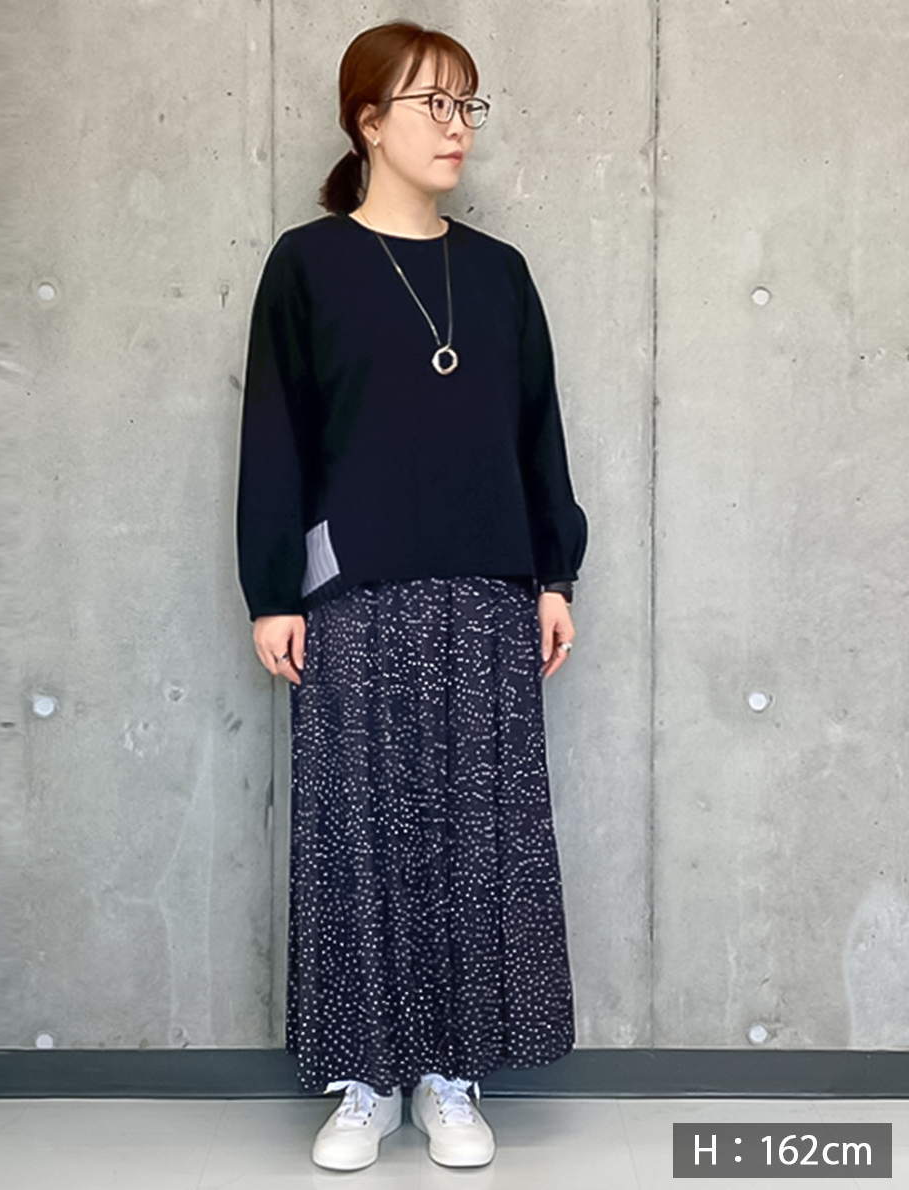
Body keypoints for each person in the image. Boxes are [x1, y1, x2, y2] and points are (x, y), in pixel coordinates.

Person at [235, 19, 588, 1173]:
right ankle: (365, 1078)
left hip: (486, 593)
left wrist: (553, 570)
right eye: (431, 103)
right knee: (357, 835)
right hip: (352, 595)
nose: (455, 126)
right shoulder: (307, 264)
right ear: (367, 122)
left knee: (475, 838)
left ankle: (450, 1072)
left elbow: (536, 434)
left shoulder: (497, 275)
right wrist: (272, 589)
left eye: (465, 103)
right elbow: (276, 433)